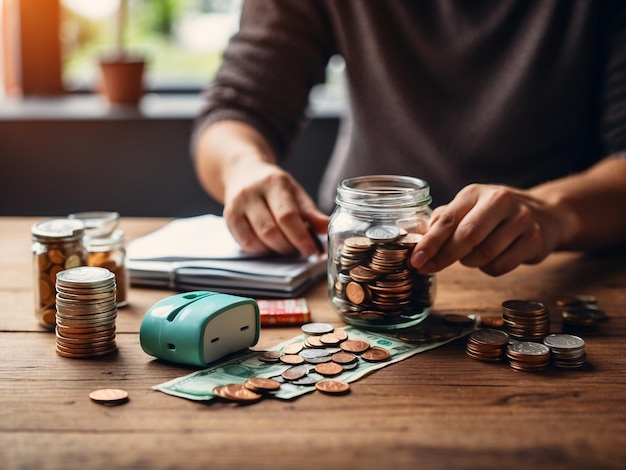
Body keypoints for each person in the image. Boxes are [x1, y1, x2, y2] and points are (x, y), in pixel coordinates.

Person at [192, 1, 626, 277]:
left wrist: (552, 211)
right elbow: (237, 107)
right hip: (356, 252)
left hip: (563, 259)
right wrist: (245, 168)